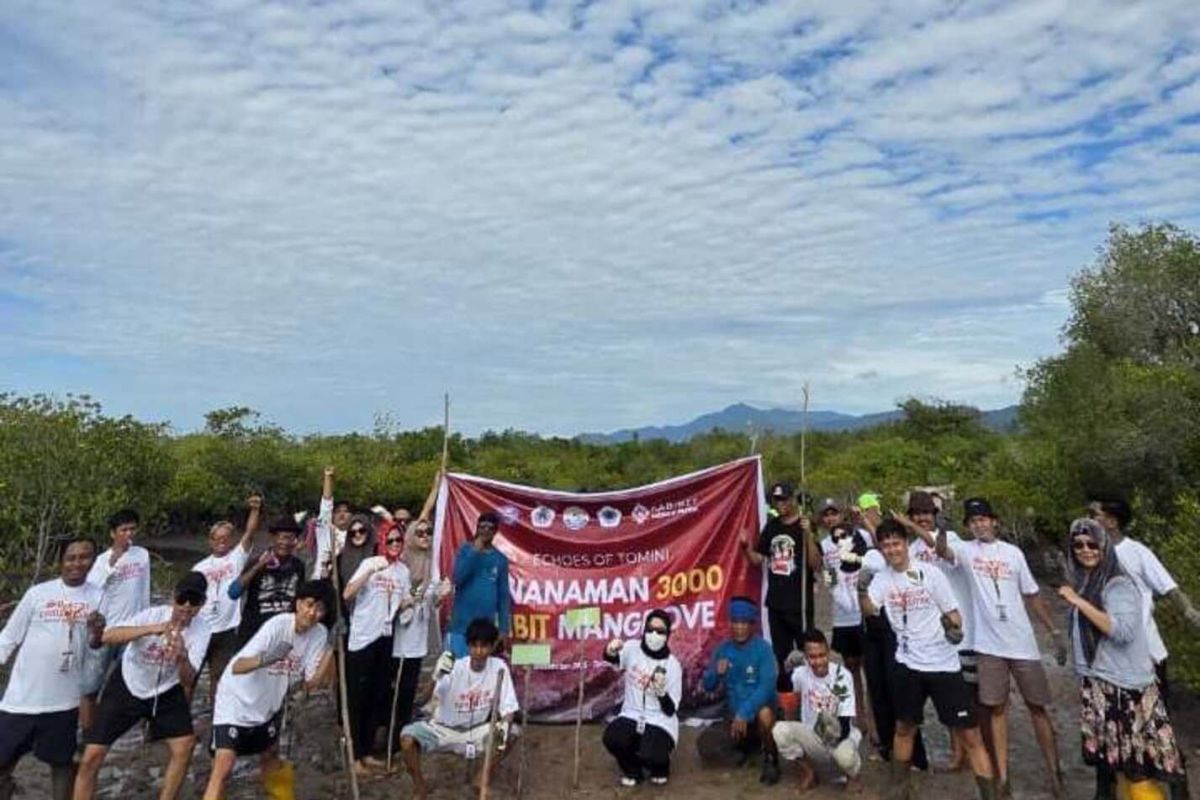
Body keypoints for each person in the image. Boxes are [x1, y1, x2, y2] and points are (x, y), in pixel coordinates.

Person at [934, 498, 1067, 798]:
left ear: (994, 521)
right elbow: (942, 551)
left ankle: (1054, 771)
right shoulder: (967, 551)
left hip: (1022, 643)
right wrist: (942, 530)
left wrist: (1054, 630)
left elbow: (1032, 595)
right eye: (973, 520)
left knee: (1038, 708)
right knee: (996, 709)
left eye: (984, 519)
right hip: (988, 645)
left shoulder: (1013, 553)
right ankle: (1003, 777)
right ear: (968, 525)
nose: (979, 524)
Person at [857, 519, 996, 800]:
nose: (892, 550)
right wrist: (861, 588)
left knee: (970, 736)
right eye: (885, 545)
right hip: (907, 664)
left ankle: (990, 794)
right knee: (904, 727)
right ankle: (900, 790)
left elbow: (953, 614)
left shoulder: (930, 573)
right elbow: (871, 609)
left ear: (906, 544)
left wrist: (953, 630)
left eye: (896, 543)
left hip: (943, 664)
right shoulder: (883, 578)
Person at [1059, 518, 1185, 800]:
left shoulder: (1118, 584)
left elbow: (1122, 631)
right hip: (1101, 685)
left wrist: (1079, 603)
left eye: (1093, 544)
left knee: (1136, 771)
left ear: (1105, 546)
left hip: (1126, 691)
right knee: (1118, 769)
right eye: (1078, 545)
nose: (1085, 550)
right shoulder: (1086, 582)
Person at [73, 572, 212, 800]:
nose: (186, 606)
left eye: (194, 601)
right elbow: (108, 636)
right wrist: (151, 629)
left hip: (166, 690)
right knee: (92, 756)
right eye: (182, 599)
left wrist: (181, 657)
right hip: (128, 684)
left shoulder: (202, 630)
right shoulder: (152, 614)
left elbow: (188, 680)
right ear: (173, 597)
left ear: (201, 604)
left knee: (184, 747)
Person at [203, 579, 336, 800]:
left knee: (271, 755)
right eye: (309, 604)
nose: (312, 613)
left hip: (268, 704)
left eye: (320, 609)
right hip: (236, 699)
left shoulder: (319, 634)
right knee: (224, 767)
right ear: (298, 604)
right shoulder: (278, 625)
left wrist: (331, 647)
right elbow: (238, 666)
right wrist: (268, 658)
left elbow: (312, 683)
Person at [0, 537, 102, 800]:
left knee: (62, 764)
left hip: (64, 702)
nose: (77, 563)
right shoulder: (38, 593)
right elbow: (9, 637)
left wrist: (96, 632)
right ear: (60, 561)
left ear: (93, 560)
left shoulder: (99, 597)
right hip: (21, 699)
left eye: (84, 557)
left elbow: (97, 649)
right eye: (71, 557)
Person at [894, 490, 977, 771]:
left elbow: (940, 550)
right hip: (927, 637)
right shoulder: (912, 548)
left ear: (935, 515)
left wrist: (911, 526)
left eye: (926, 513)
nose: (922, 518)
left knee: (964, 699)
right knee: (945, 704)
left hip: (956, 631)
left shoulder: (949, 538)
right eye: (917, 513)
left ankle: (967, 753)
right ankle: (957, 754)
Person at [400, 618, 518, 800]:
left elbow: (509, 708)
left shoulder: (499, 668)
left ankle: (481, 778)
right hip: (444, 730)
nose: (479, 652)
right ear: (468, 646)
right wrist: (435, 676)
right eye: (474, 646)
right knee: (407, 739)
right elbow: (424, 700)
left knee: (512, 732)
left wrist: (504, 725)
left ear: (493, 646)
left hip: (477, 730)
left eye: (484, 646)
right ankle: (419, 786)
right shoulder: (454, 667)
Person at [343, 527, 413, 773]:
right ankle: (353, 757)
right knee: (357, 698)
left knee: (377, 696)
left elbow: (403, 602)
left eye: (399, 540)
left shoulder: (403, 571)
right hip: (362, 638)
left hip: (385, 638)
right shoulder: (370, 562)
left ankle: (367, 752)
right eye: (390, 540)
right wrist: (371, 571)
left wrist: (416, 599)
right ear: (383, 541)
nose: (395, 544)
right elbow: (347, 593)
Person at [741, 481, 820, 690]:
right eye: (777, 500)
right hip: (776, 603)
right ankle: (787, 700)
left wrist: (809, 535)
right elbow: (758, 559)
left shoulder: (805, 524)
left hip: (800, 604)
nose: (781, 503)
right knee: (782, 655)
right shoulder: (773, 526)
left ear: (793, 499)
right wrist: (745, 547)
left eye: (784, 498)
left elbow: (816, 564)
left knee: (808, 652)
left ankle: (813, 695)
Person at [391, 474, 452, 739]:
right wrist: (435, 486)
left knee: (413, 671)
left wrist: (441, 594)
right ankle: (392, 724)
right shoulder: (405, 552)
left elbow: (433, 599)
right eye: (421, 532)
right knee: (397, 675)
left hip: (419, 625)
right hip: (399, 623)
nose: (425, 535)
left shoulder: (431, 557)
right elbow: (425, 513)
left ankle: (405, 719)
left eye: (429, 532)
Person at [697, 597, 781, 785]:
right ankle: (745, 750)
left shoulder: (764, 649)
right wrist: (715, 674)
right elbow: (708, 685)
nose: (739, 627)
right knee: (704, 745)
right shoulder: (723, 649)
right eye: (735, 622)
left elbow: (767, 688)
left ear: (752, 625)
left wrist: (744, 713)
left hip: (755, 714)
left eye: (744, 623)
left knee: (765, 714)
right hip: (735, 718)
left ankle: (771, 759)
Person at [81, 509, 151, 730]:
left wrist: (147, 622)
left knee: (135, 682)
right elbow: (91, 592)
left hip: (133, 629)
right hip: (106, 631)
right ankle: (87, 732)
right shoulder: (101, 560)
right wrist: (112, 561)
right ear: (113, 533)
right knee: (90, 686)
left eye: (132, 529)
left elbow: (145, 589)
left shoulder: (142, 554)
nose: (128, 534)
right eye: (123, 530)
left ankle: (136, 728)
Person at [774, 629, 864, 793]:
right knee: (780, 730)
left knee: (845, 757)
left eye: (821, 655)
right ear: (806, 657)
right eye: (812, 657)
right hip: (813, 736)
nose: (817, 662)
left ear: (828, 652)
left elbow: (844, 725)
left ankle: (853, 776)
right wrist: (786, 668)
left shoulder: (842, 676)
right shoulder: (802, 672)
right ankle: (809, 772)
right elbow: (782, 687)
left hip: (839, 735)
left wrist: (829, 731)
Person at [602, 610, 684, 786]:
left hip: (659, 719)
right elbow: (612, 658)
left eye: (660, 631)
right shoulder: (632, 648)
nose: (654, 635)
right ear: (644, 630)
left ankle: (661, 766)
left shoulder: (673, 665)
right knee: (613, 738)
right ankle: (633, 770)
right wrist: (610, 649)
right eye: (650, 629)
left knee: (652, 754)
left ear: (668, 635)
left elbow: (670, 710)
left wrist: (661, 693)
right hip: (631, 714)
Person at [192, 495, 261, 702]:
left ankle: (215, 720)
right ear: (211, 541)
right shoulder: (200, 567)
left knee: (219, 677)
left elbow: (250, 532)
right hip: (202, 629)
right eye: (217, 538)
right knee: (191, 677)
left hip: (227, 629)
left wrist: (255, 510)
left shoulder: (236, 558)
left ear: (231, 540)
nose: (222, 541)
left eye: (226, 537)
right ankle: (182, 722)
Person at [819, 520, 871, 738]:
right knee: (852, 674)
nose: (842, 541)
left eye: (846, 536)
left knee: (873, 674)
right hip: (845, 624)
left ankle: (876, 722)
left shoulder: (869, 561)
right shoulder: (831, 571)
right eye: (837, 539)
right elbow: (842, 599)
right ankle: (860, 717)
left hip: (868, 624)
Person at [231, 515, 306, 643]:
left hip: (282, 634)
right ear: (273, 538)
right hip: (254, 632)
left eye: (291, 538)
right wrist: (258, 567)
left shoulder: (298, 566)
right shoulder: (257, 562)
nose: (286, 543)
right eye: (283, 537)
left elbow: (299, 599)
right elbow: (233, 592)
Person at [446, 512, 511, 658]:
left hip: (484, 629)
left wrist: (503, 629)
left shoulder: (500, 559)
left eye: (490, 528)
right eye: (482, 527)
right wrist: (475, 552)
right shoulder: (465, 550)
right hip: (460, 626)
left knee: (479, 674)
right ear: (477, 529)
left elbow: (503, 597)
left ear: (495, 532)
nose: (486, 531)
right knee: (457, 672)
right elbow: (457, 578)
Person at [313, 466, 353, 580]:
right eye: (338, 511)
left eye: (346, 511)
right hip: (320, 583)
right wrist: (328, 477)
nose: (342, 514)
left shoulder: (356, 535)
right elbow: (326, 504)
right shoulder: (325, 530)